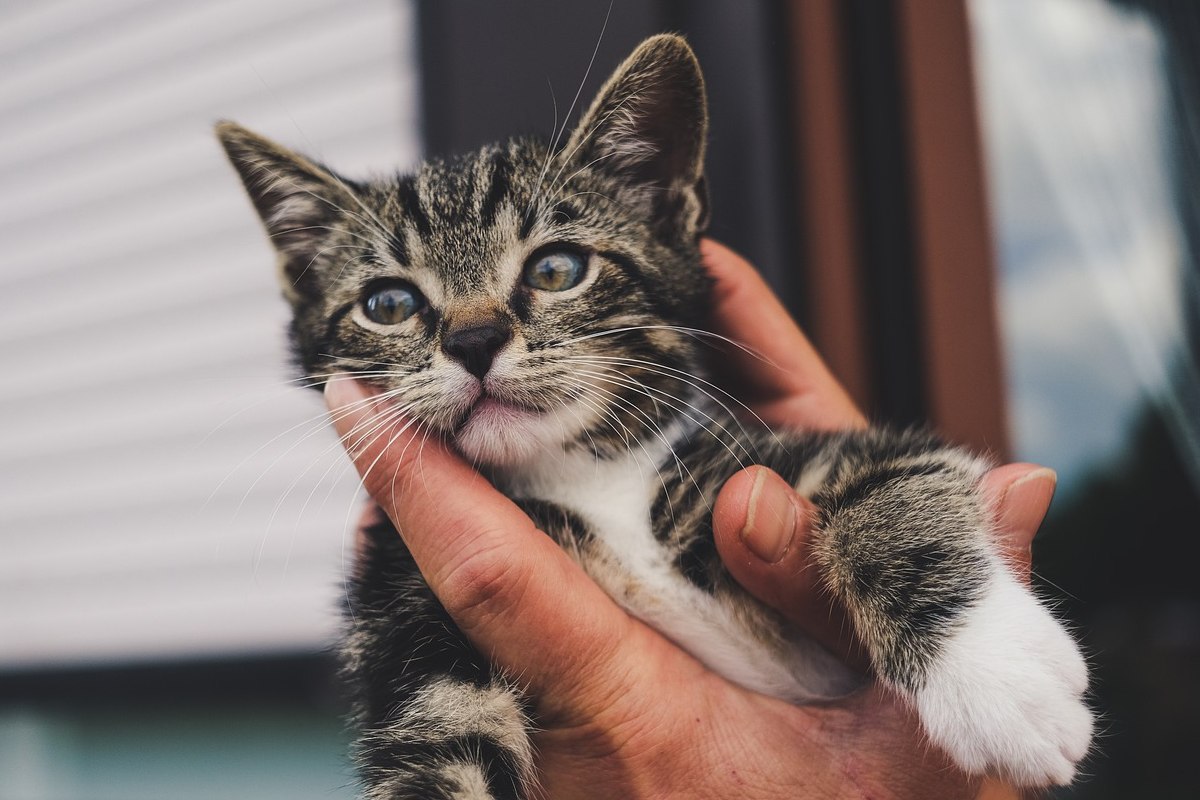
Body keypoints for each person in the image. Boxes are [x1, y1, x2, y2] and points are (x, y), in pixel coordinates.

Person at [324, 239, 1055, 799]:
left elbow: (904, 477)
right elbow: (436, 754)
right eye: (392, 305)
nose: (475, 334)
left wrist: (942, 615)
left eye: (551, 270)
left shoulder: (718, 473)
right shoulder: (421, 573)